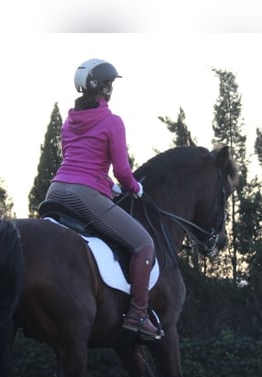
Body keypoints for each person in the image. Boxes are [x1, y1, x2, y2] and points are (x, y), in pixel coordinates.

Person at [45, 58, 163, 341]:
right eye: (111, 83)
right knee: (144, 244)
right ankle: (138, 313)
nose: (112, 88)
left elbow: (81, 163)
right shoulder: (113, 122)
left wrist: (110, 189)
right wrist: (134, 188)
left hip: (55, 191)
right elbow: (122, 170)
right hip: (83, 195)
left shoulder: (68, 122)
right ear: (105, 88)